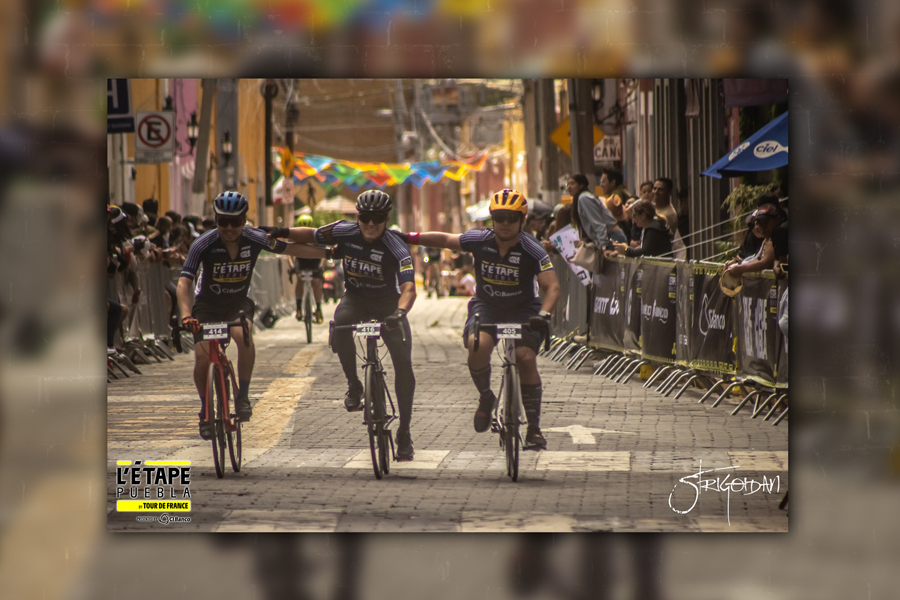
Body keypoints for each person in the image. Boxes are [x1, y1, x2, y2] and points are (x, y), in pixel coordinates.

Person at [261, 190, 417, 461]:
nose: (370, 224)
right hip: (355, 300)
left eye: (377, 218)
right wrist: (282, 230)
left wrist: (400, 313)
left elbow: (409, 288)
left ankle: (404, 432)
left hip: (388, 305)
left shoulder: (396, 246)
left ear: (386, 218)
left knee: (403, 364)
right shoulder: (344, 232)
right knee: (341, 324)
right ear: (357, 217)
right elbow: (311, 235)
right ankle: (355, 385)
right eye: (364, 218)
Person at [399, 189, 560, 450]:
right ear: (491, 219)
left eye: (511, 218)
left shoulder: (533, 249)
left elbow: (552, 287)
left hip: (524, 309)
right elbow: (445, 239)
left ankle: (534, 429)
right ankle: (486, 397)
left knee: (525, 358)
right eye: (499, 218)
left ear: (522, 220)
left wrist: (544, 315)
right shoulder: (479, 239)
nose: (505, 223)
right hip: (487, 306)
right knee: (477, 345)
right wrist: (409, 237)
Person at [177, 191, 327, 441]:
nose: (229, 228)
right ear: (215, 219)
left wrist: (329, 254)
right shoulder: (202, 244)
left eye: (235, 222)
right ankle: (205, 410)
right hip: (208, 305)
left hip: (238, 302)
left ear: (244, 220)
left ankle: (243, 395)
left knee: (243, 335)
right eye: (222, 221)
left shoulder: (256, 238)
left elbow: (292, 248)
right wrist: (185, 316)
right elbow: (184, 282)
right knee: (202, 359)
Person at [723, 204, 785, 278]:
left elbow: (765, 263)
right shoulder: (766, 239)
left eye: (765, 222)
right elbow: (759, 260)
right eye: (757, 223)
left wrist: (740, 269)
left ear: (776, 220)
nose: (760, 227)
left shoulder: (774, 238)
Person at [566, 174, 626, 248]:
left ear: (581, 185)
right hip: (608, 237)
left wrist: (604, 246)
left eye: (572, 183)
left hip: (612, 237)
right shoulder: (580, 198)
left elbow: (599, 224)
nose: (569, 187)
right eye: (567, 184)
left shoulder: (584, 198)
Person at [292, 214, 325, 323]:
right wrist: (292, 266)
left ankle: (318, 309)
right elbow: (289, 254)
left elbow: (323, 253)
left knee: (316, 282)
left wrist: (322, 266)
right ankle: (298, 308)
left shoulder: (317, 236)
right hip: (301, 261)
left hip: (314, 261)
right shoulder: (295, 236)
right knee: (300, 279)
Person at [651, 177, 687, 259]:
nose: (656, 192)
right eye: (654, 188)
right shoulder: (653, 207)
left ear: (669, 193)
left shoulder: (669, 214)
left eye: (660, 190)